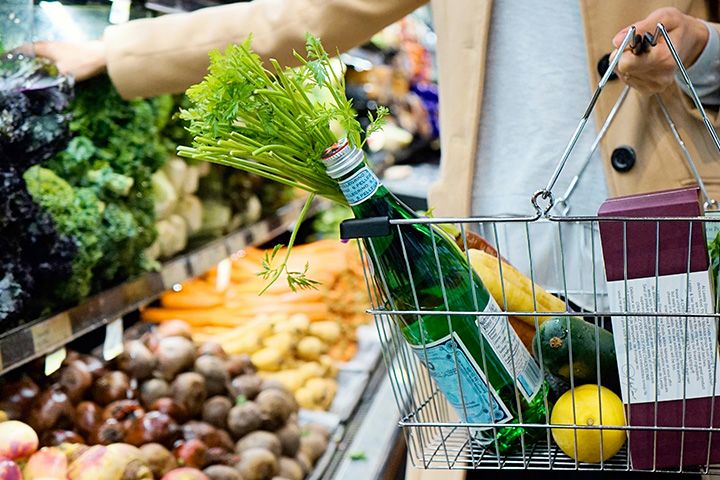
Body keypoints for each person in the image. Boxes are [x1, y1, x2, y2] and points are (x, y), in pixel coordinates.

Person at [33, 2, 720, 479]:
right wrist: (116, 52)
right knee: (515, 444)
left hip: (667, 251)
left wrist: (706, 50)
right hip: (491, 257)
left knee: (674, 448)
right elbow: (303, 16)